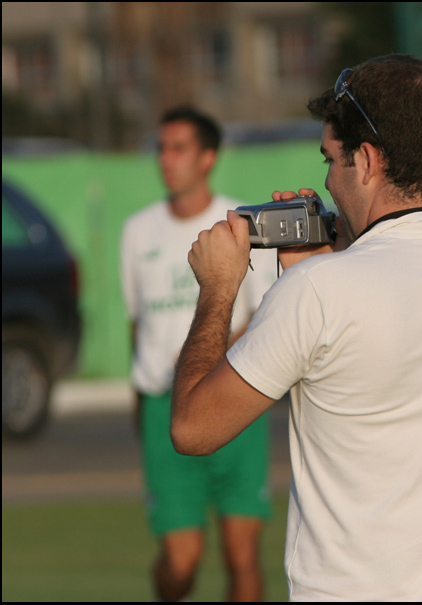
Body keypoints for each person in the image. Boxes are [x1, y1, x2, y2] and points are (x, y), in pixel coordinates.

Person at [170, 55, 422, 601]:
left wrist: (219, 288)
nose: (327, 181)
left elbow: (193, 428)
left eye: (331, 159)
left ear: (366, 160)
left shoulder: (318, 292)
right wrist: (319, 270)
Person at [119, 105, 276, 602]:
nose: (165, 159)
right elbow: (136, 324)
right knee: (180, 563)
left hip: (234, 399)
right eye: (161, 148)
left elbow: (261, 317)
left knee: (242, 557)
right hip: (164, 407)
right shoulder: (137, 231)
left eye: (178, 148)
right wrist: (140, 402)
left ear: (208, 157)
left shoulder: (239, 223)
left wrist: (201, 356)